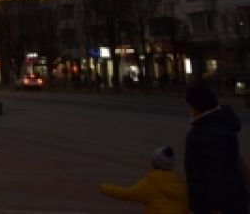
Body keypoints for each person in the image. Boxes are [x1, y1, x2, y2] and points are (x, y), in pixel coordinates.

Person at [183, 83, 247, 214]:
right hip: (234, 199)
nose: (188, 109)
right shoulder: (223, 124)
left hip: (214, 206)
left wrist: (215, 206)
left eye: (189, 105)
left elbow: (215, 173)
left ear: (196, 107)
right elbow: (238, 163)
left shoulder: (203, 134)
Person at [98, 145, 187, 214]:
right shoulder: (179, 183)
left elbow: (127, 194)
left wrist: (104, 188)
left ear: (153, 162)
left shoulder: (151, 182)